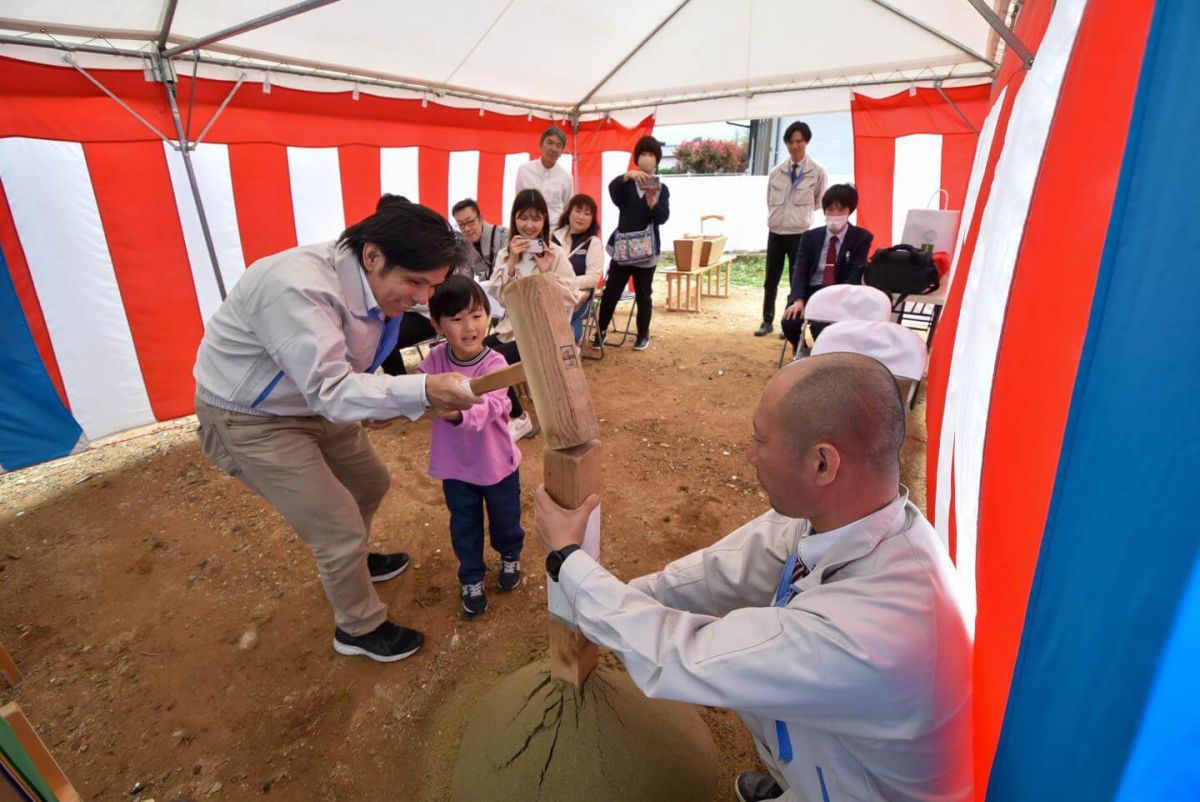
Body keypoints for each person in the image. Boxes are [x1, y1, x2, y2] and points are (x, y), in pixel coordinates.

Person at [535, 354, 972, 802]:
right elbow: (727, 565)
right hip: (845, 752)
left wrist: (569, 561)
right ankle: (792, 783)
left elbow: (682, 656)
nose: (749, 455)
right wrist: (618, 598)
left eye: (760, 440)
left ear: (823, 464)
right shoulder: (853, 519)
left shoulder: (869, 632)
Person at [193, 199, 483, 663]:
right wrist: (423, 391)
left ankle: (353, 561)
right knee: (337, 526)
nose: (424, 299)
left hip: (313, 402)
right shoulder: (297, 287)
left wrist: (378, 400)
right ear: (372, 256)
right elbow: (330, 389)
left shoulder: (371, 284)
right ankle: (358, 627)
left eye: (432, 286)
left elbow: (338, 380)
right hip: (250, 418)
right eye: (415, 282)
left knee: (370, 481)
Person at [417, 276, 525, 617]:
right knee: (463, 524)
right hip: (456, 469)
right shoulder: (435, 360)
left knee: (506, 519)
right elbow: (418, 388)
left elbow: (494, 406)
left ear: (488, 316)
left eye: (477, 315)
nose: (470, 326)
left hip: (496, 465)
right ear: (437, 324)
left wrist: (452, 414)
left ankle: (510, 557)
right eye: (457, 318)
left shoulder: (495, 363)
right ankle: (471, 577)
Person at [486, 189, 577, 441]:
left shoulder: (554, 254)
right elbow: (501, 298)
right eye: (522, 217)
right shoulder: (506, 254)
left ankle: (518, 417)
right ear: (514, 218)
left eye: (536, 219)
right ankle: (498, 410)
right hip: (511, 330)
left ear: (545, 221)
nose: (528, 225)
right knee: (473, 355)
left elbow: (571, 298)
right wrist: (512, 264)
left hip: (543, 335)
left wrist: (546, 274)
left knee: (492, 362)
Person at [594, 135, 670, 352]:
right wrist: (627, 176)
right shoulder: (627, 184)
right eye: (643, 154)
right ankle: (600, 330)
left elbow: (663, 218)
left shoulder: (661, 188)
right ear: (637, 157)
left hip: (647, 253)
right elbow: (612, 190)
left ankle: (642, 335)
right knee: (612, 291)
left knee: (644, 295)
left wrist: (653, 203)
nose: (647, 158)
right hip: (624, 251)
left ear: (657, 159)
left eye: (651, 154)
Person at [781, 184, 874, 357]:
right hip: (811, 290)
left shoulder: (861, 237)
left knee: (821, 326)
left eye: (840, 210)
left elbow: (855, 273)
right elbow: (799, 270)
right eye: (830, 210)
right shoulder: (810, 237)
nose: (834, 215)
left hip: (839, 292)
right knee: (790, 321)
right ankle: (801, 349)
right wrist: (798, 299)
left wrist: (834, 300)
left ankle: (824, 358)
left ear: (850, 210)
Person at [757, 121, 827, 338]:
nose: (794, 146)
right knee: (771, 279)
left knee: (796, 280)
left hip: (800, 234)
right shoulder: (777, 172)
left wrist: (799, 217)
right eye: (790, 142)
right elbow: (769, 201)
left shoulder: (817, 171)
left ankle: (790, 324)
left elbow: (819, 201)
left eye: (799, 141)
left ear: (806, 142)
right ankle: (766, 321)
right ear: (786, 144)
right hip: (776, 232)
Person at [552, 193, 604, 343]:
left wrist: (564, 282)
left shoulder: (593, 242)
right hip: (551, 293)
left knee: (565, 335)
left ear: (592, 219)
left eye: (587, 213)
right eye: (578, 211)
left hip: (578, 296)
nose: (581, 217)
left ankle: (569, 340)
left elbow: (593, 278)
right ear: (569, 212)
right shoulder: (553, 237)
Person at [515, 125, 574, 226]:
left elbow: (567, 208)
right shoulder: (524, 170)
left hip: (554, 231)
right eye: (550, 143)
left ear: (562, 152)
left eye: (558, 146)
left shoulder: (566, 177)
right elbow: (519, 203)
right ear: (541, 144)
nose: (553, 149)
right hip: (529, 228)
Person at [452, 198, 509, 282]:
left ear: (481, 219)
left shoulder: (504, 236)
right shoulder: (464, 248)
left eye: (470, 222)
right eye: (461, 224)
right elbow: (464, 280)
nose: (466, 228)